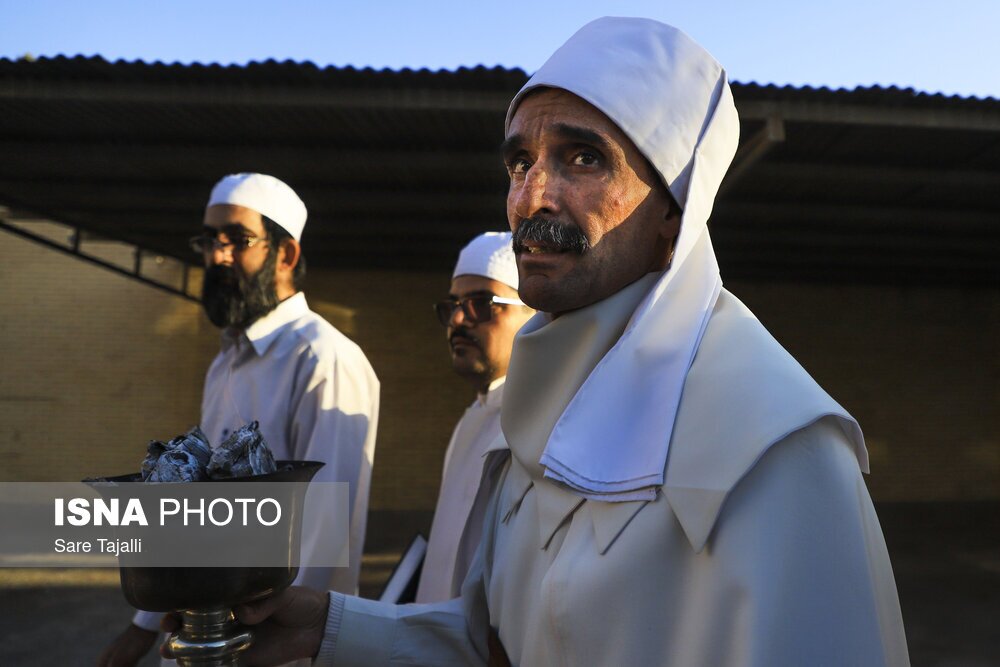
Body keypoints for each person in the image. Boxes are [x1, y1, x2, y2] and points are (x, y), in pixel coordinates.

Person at [166, 19, 910, 667]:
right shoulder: (536, 412)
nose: (532, 197)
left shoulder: (778, 454)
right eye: (520, 162)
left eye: (582, 158)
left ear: (674, 214)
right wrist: (325, 627)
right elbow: (496, 644)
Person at [99, 173, 380, 666]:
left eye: (237, 240)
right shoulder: (225, 362)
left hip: (270, 648)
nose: (218, 255)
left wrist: (271, 642)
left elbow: (324, 534)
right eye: (210, 240)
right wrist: (142, 630)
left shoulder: (325, 359)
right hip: (202, 637)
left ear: (286, 254)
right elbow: (191, 505)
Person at [417, 232, 534, 602]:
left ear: (535, 314)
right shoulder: (471, 418)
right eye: (453, 305)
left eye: (482, 303)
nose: (458, 319)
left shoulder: (543, 424)